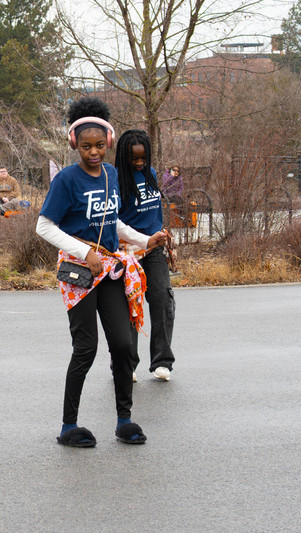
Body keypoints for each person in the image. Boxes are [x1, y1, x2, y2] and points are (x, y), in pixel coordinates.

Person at [35, 97, 166, 448]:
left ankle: (124, 420)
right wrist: (84, 251)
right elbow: (44, 226)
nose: (93, 152)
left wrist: (145, 239)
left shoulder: (110, 175)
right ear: (74, 143)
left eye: (99, 146)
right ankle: (68, 426)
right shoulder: (66, 180)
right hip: (79, 274)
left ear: (109, 142)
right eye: (86, 146)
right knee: (86, 348)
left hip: (109, 270)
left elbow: (115, 223)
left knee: (123, 345)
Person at [115, 129, 176, 382]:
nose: (140, 162)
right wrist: (137, 240)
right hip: (127, 250)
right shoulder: (115, 179)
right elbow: (113, 220)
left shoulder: (150, 173)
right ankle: (125, 365)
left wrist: (160, 237)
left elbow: (154, 211)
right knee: (130, 305)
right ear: (124, 155)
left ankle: (162, 362)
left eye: (143, 158)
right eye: (134, 158)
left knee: (162, 299)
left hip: (154, 248)